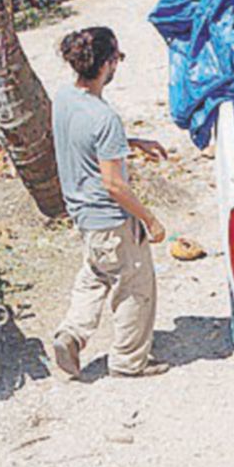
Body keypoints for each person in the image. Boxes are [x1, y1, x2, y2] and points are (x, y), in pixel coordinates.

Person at [51, 27, 169, 379]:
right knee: (134, 287)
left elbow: (85, 143)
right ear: (106, 64)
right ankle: (129, 361)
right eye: (117, 58)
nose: (118, 64)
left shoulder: (64, 99)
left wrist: (130, 142)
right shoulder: (105, 119)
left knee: (95, 275)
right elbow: (115, 184)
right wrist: (150, 220)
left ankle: (71, 334)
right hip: (113, 222)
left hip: (84, 218)